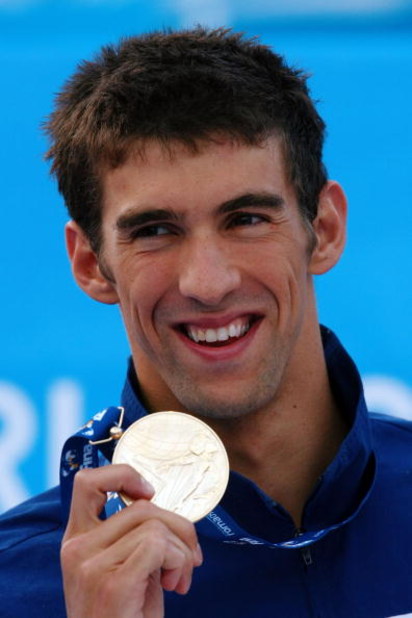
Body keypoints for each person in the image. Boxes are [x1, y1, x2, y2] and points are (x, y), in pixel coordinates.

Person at [0, 26, 411, 618]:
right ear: (92, 265)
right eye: (155, 231)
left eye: (245, 219)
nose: (208, 282)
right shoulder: (23, 583)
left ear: (322, 230)